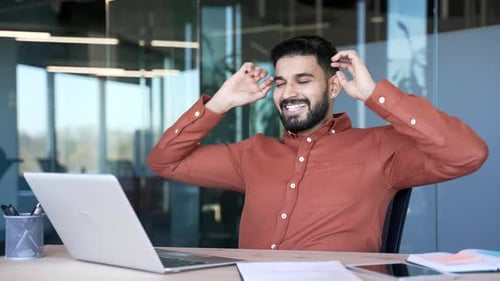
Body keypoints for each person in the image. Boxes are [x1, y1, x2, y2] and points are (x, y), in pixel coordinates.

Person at [146, 35, 488, 252]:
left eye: (303, 80)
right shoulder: (251, 153)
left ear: (334, 87)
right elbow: (164, 161)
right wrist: (219, 103)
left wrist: (374, 95)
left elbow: (468, 154)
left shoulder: (381, 148)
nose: (289, 93)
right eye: (280, 83)